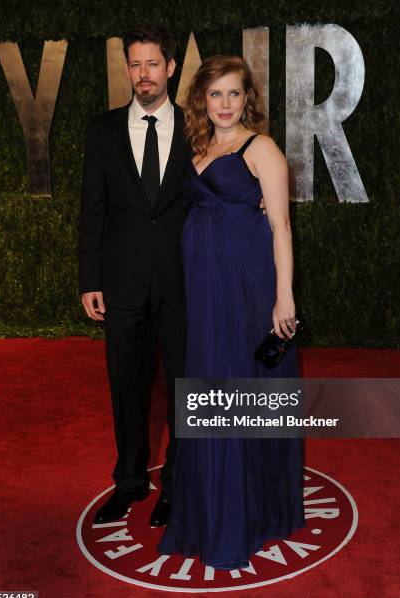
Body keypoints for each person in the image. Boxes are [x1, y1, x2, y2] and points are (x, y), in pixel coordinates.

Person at [158, 55, 306, 570]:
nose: (224, 104)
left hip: (245, 288)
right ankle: (210, 510)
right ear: (202, 99)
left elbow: (282, 229)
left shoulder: (260, 147)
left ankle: (247, 514)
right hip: (203, 291)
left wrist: (283, 297)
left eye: (234, 94)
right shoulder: (197, 146)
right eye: (215, 94)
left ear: (248, 99)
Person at [78, 27, 191, 527]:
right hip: (121, 283)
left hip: (182, 281)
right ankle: (128, 482)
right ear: (127, 69)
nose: (143, 74)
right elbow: (92, 210)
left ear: (170, 68)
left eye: (152, 64)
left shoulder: (197, 127)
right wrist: (89, 278)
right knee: (126, 385)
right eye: (134, 65)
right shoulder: (102, 131)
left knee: (184, 388)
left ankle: (179, 484)